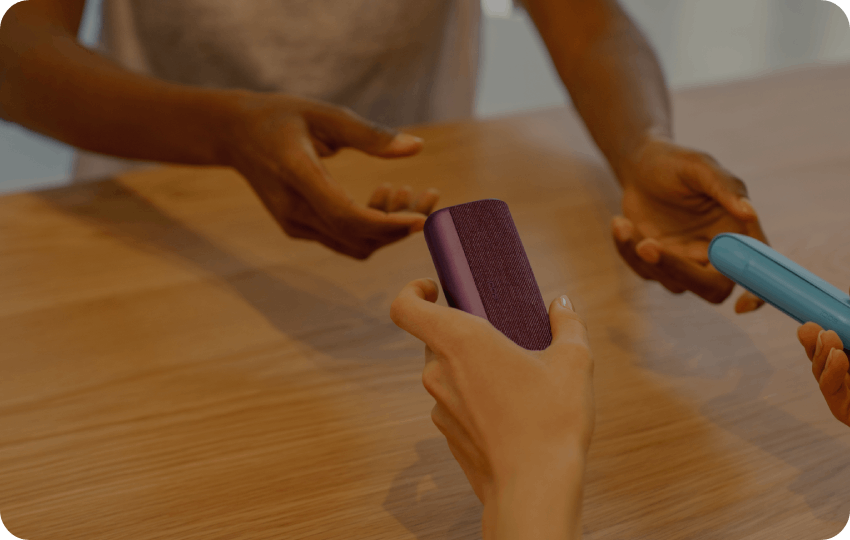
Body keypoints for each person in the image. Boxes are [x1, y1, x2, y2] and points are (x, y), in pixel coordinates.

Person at [0, 0, 774, 537]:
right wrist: (224, 133)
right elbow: (15, 48)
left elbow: (589, 19)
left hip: (423, 189)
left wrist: (639, 144)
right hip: (146, 219)